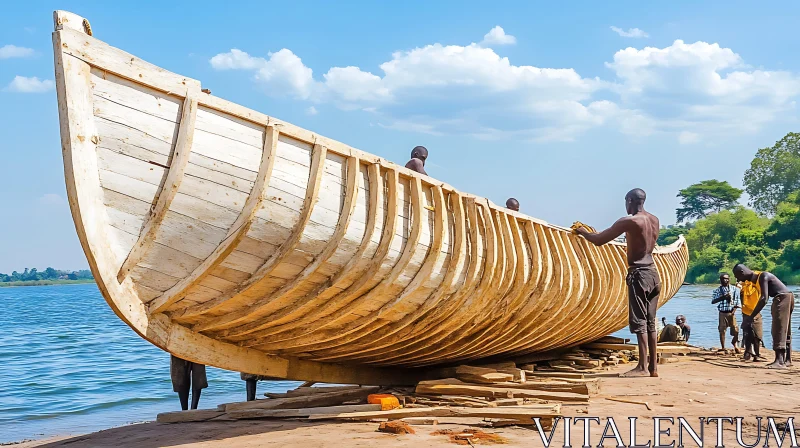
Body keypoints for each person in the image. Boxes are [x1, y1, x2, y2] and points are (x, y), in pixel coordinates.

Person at [575, 188, 660, 377]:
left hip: (639, 274)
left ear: (630, 200)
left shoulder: (629, 221)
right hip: (654, 274)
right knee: (650, 322)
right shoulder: (654, 220)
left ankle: (642, 368)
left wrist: (583, 232)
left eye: (626, 201)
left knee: (639, 323)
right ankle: (653, 368)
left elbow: (599, 240)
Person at [734, 264, 793, 368]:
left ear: (742, 273)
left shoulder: (763, 276)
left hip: (781, 298)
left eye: (737, 276)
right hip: (788, 296)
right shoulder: (756, 279)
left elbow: (764, 299)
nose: (738, 279)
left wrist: (750, 317)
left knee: (778, 329)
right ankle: (787, 360)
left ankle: (779, 361)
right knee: (785, 329)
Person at [712, 273, 740, 352]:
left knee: (735, 330)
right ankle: (723, 347)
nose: (725, 280)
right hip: (722, 313)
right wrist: (723, 297)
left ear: (729, 279)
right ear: (720, 280)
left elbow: (738, 302)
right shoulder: (718, 290)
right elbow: (713, 301)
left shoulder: (735, 289)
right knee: (722, 330)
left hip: (731, 312)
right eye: (723, 279)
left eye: (726, 278)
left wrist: (733, 312)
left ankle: (734, 343)